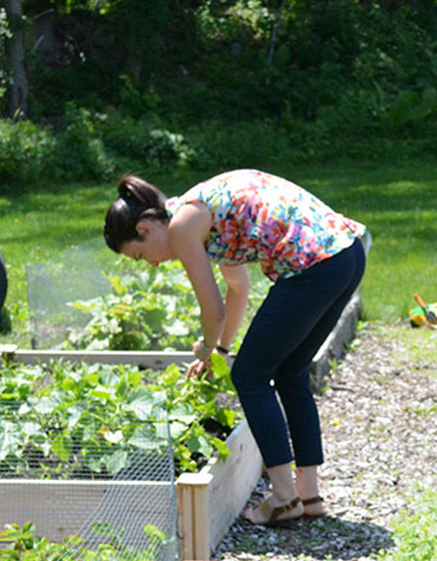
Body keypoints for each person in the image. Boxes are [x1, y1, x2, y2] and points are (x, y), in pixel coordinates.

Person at [104, 169, 367, 525]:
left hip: (314, 264)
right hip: (345, 255)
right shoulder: (204, 212)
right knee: (291, 372)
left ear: (144, 230)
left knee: (249, 377)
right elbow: (237, 289)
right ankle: (309, 494)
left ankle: (284, 498)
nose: (151, 263)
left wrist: (206, 348)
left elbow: (212, 310)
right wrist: (221, 351)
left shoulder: (182, 227)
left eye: (139, 255)